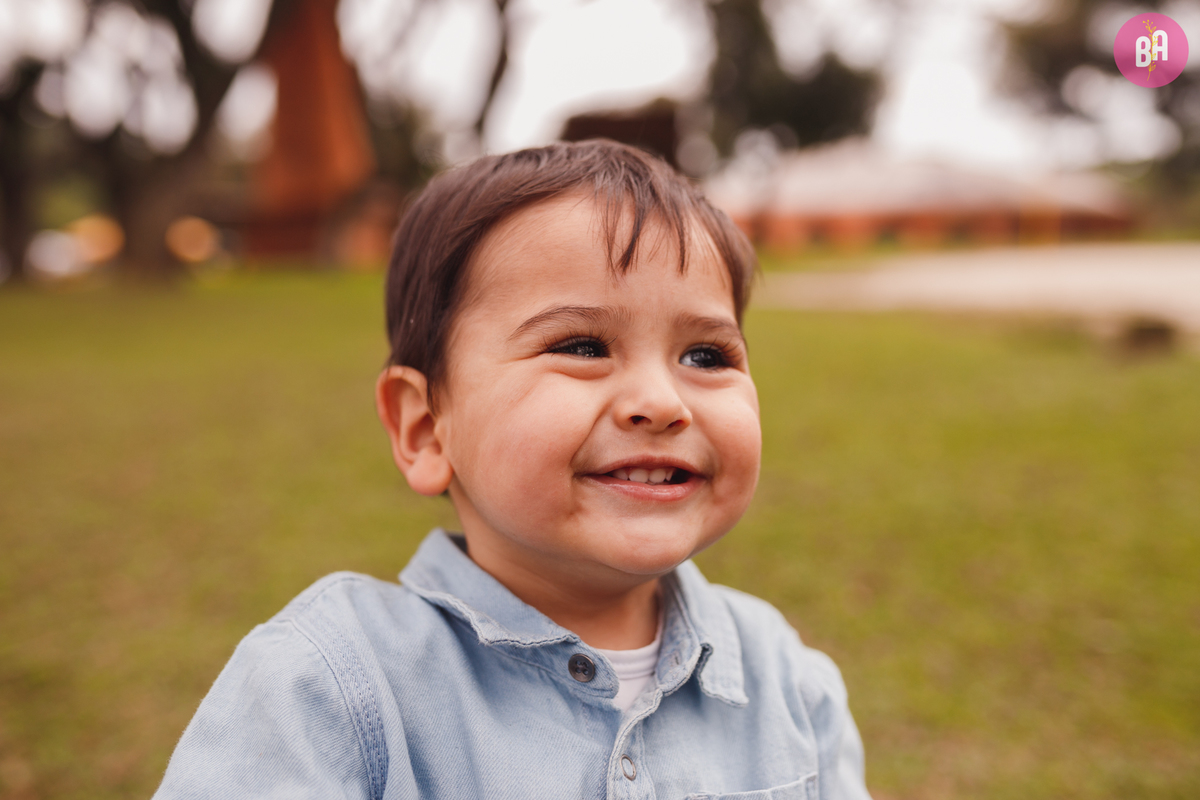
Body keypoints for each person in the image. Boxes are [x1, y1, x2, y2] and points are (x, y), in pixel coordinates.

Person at [153, 140, 871, 800]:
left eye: (706, 356)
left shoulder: (789, 684)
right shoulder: (328, 687)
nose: (661, 402)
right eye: (584, 346)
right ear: (426, 427)